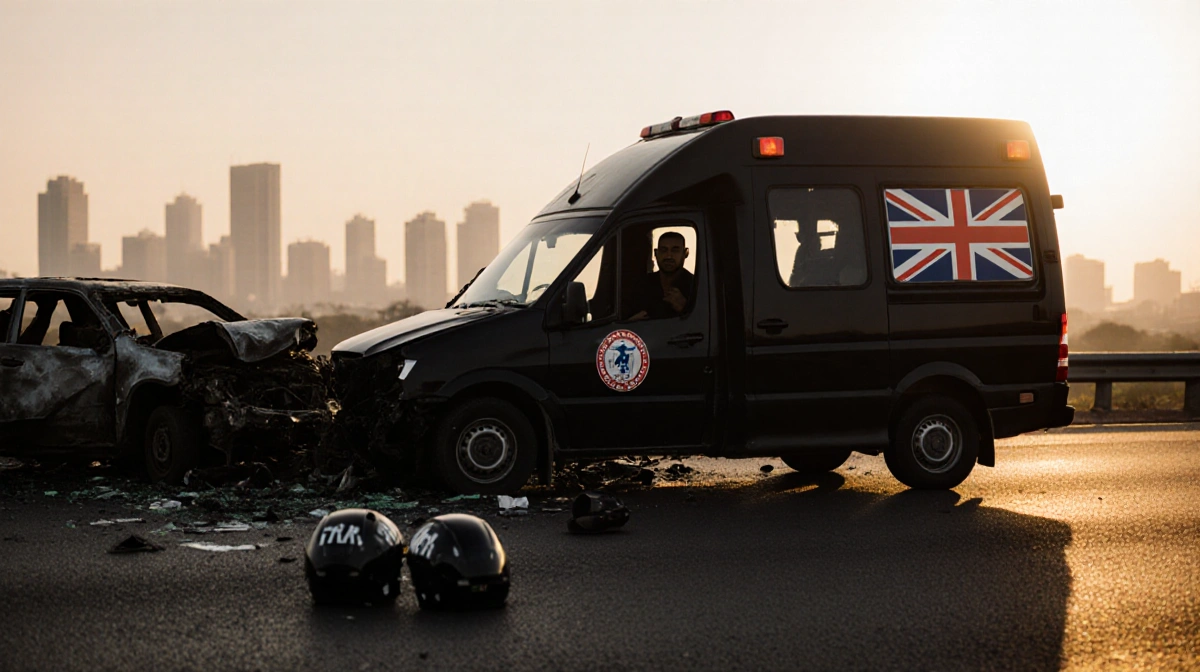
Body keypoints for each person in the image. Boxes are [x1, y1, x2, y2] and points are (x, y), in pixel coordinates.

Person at [629, 231, 694, 320]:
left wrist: (685, 308)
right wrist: (632, 322)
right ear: (656, 253)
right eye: (663, 250)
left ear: (685, 253)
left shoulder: (695, 286)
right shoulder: (643, 285)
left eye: (675, 250)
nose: (668, 256)